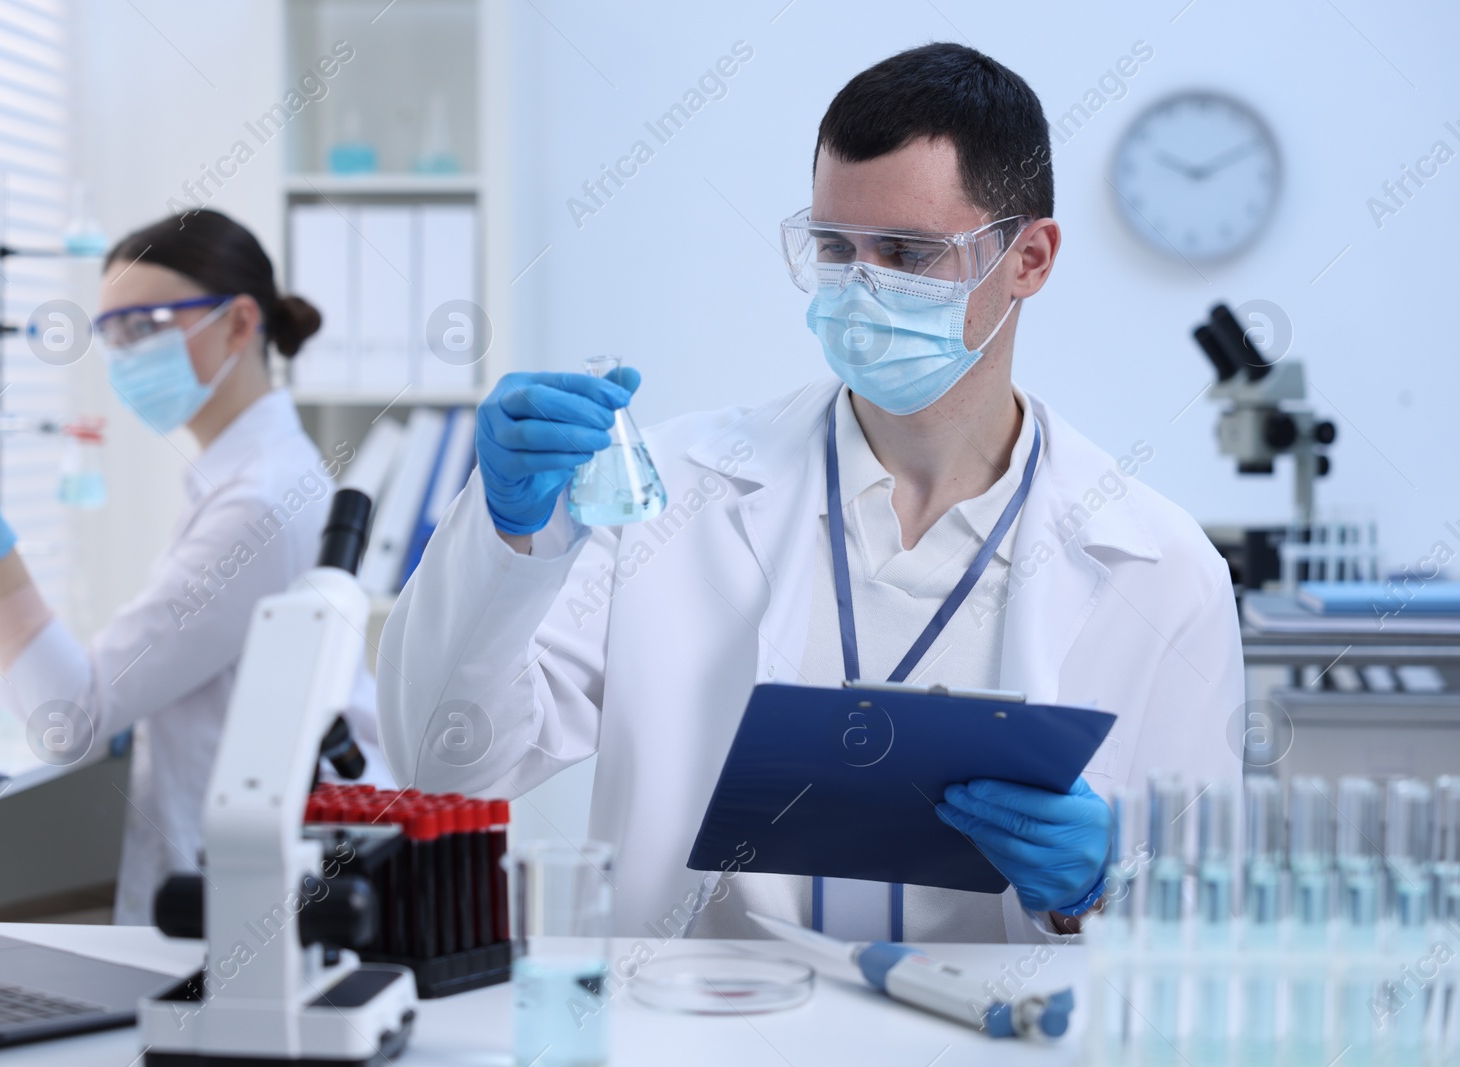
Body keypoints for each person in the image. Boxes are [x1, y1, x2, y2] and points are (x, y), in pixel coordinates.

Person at [377, 43, 1243, 943]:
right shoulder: (675, 498)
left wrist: (1106, 883)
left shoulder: (1161, 566)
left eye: (908, 252)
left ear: (1028, 258)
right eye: (835, 247)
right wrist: (505, 541)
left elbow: (1217, 929)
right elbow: (448, 767)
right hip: (700, 1028)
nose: (860, 288)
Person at [0, 210, 389, 925]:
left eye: (147, 324)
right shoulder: (250, 474)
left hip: (241, 893)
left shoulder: (255, 503)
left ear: (239, 323)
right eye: (112, 334)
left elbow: (69, 719)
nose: (125, 353)